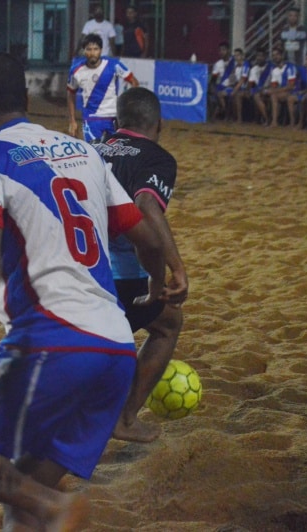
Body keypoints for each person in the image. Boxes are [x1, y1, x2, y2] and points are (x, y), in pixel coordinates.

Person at [0, 50, 166, 531]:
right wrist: (159, 287)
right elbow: (143, 233)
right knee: (23, 494)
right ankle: (48, 509)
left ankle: (59, 509)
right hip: (116, 352)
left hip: (52, 342)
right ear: (26, 98)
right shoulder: (84, 151)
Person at [92, 87, 188, 443]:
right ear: (159, 124)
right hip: (120, 277)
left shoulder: (92, 149)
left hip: (74, 264)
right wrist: (175, 268)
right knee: (168, 325)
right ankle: (125, 419)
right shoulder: (157, 157)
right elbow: (147, 206)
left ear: (117, 123)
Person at [67, 34, 139, 143]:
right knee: (94, 152)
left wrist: (127, 105)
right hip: (91, 119)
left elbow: (134, 82)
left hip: (113, 118)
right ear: (84, 51)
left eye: (95, 49)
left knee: (116, 153)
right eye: (89, 49)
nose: (92, 53)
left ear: (101, 50)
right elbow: (70, 93)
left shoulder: (113, 65)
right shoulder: (76, 70)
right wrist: (72, 120)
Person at [257, 47, 297, 128]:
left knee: (274, 96)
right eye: (273, 55)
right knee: (261, 95)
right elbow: (274, 85)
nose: (275, 57)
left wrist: (274, 91)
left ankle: (276, 122)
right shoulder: (275, 70)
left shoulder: (290, 67)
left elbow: (291, 86)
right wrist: (267, 90)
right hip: (282, 92)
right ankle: (268, 119)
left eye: (277, 55)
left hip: (293, 91)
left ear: (282, 56)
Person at [237, 49, 271, 124]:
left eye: (261, 56)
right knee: (242, 95)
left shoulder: (271, 68)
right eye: (257, 56)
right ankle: (240, 119)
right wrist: (247, 91)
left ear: (265, 57)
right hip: (258, 90)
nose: (259, 58)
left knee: (257, 96)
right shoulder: (254, 69)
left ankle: (266, 119)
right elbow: (251, 83)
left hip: (270, 89)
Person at [216, 47, 249, 122]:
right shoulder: (235, 65)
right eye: (235, 56)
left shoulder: (246, 65)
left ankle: (239, 118)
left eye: (238, 55)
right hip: (235, 86)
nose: (236, 57)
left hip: (243, 88)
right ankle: (226, 113)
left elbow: (242, 80)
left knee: (235, 95)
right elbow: (233, 78)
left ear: (242, 56)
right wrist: (229, 86)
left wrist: (234, 90)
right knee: (220, 94)